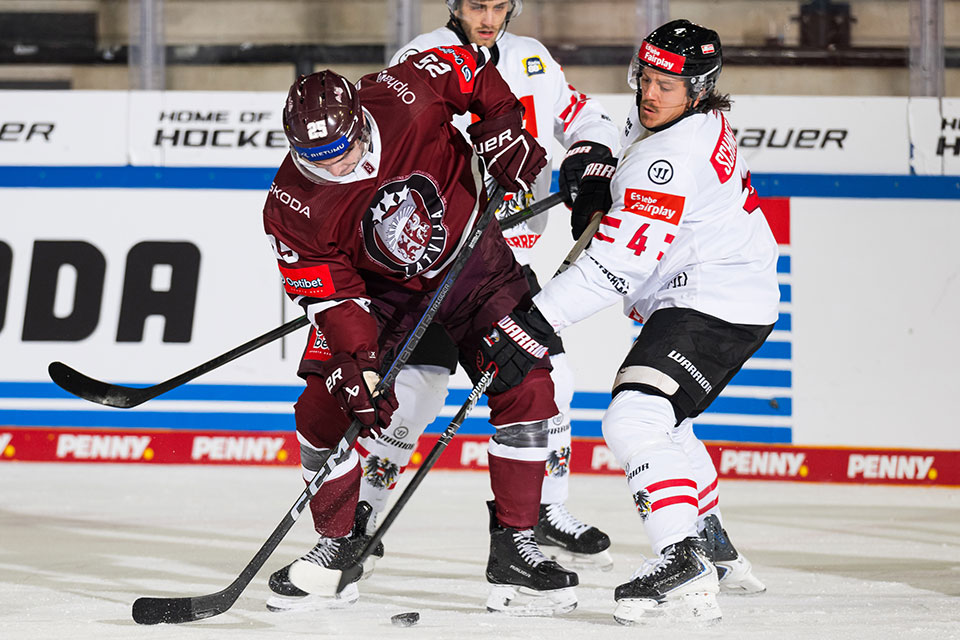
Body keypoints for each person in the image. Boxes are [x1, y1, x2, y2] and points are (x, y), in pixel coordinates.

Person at [261, 48, 580, 616]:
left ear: (361, 120)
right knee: (324, 403)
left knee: (529, 384)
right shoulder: (291, 206)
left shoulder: (402, 93)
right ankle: (337, 543)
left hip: (476, 269)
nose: (336, 169)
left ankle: (515, 547)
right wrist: (357, 360)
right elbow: (332, 294)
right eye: (317, 160)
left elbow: (474, 71)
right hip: (382, 296)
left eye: (342, 152)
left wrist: (503, 130)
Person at [524, 19, 779, 623]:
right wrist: (593, 163)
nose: (650, 93)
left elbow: (612, 268)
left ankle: (682, 557)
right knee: (668, 420)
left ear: (699, 87)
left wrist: (532, 320)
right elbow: (624, 136)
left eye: (668, 83)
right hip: (723, 291)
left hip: (717, 304)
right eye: (646, 77)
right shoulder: (691, 119)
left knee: (635, 415)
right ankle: (712, 545)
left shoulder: (670, 158)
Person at [355, 0, 620, 571]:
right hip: (433, 264)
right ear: (453, 4)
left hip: (500, 266)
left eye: (500, 5)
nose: (489, 16)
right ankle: (363, 517)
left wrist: (588, 153)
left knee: (551, 382)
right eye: (477, 4)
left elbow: (586, 116)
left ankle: (543, 510)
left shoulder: (532, 60)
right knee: (416, 393)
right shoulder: (421, 57)